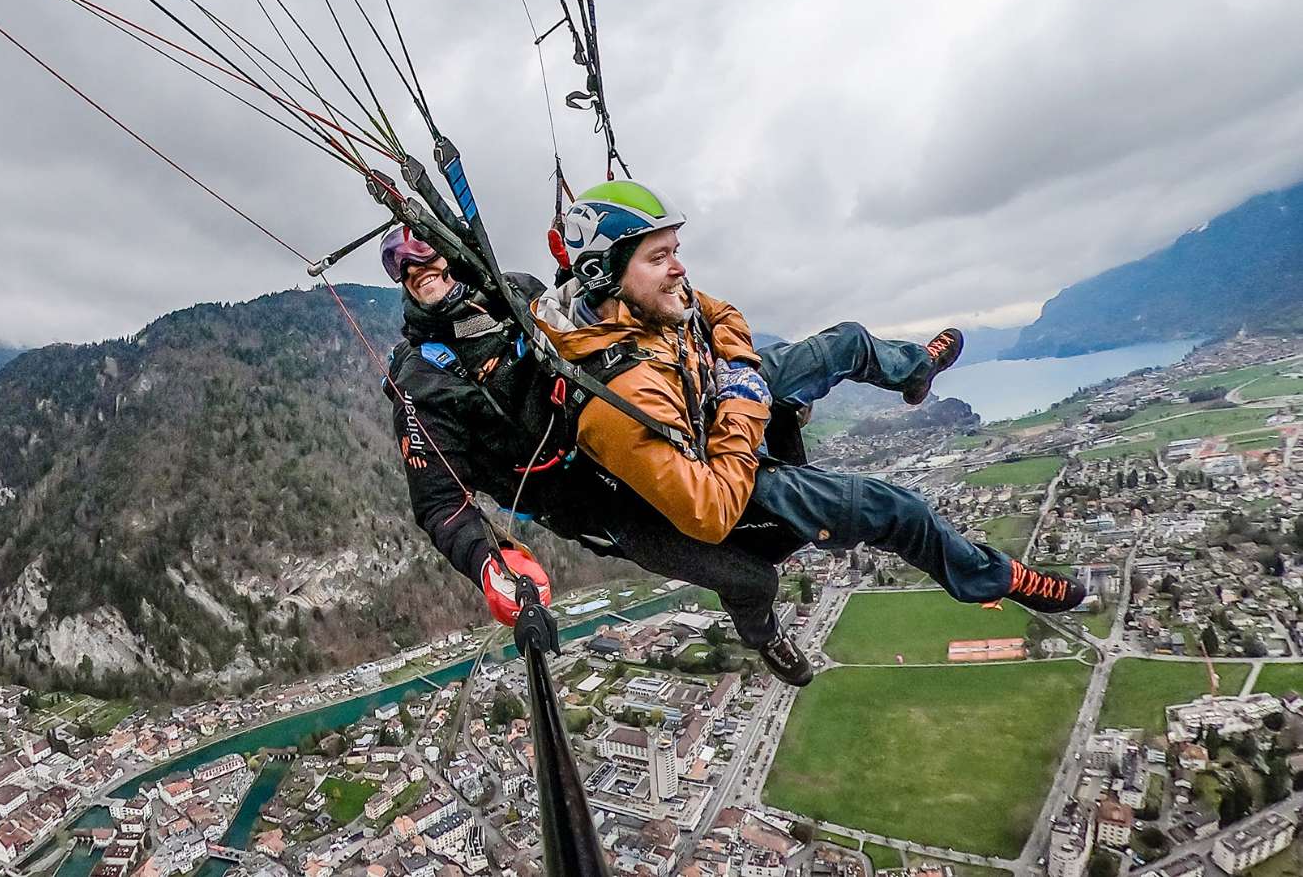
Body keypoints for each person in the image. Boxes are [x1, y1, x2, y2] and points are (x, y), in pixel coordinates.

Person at [384, 218, 960, 685]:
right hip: (603, 503)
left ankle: (915, 370)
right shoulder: (422, 381)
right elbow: (440, 503)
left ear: (456, 256)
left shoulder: (518, 293)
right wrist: (490, 565)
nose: (417, 270)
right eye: (404, 268)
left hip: (655, 413)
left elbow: (586, 313)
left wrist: (587, 262)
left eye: (427, 256)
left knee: (832, 353)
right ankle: (764, 635)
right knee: (751, 577)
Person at [534, 179, 1084, 618]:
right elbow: (711, 511)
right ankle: (991, 577)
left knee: (845, 342)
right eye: (659, 257)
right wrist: (746, 400)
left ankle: (915, 372)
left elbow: (721, 314)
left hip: (716, 387)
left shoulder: (650, 301)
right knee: (896, 509)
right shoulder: (614, 398)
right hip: (724, 461)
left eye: (675, 251)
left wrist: (739, 367)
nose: (678, 268)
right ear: (603, 274)